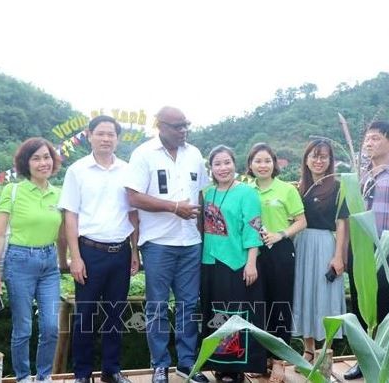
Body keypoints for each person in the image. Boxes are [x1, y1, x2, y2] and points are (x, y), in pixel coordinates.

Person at [124, 106, 210, 383]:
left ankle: (186, 364)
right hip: (158, 244)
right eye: (177, 126)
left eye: (186, 125)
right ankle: (160, 365)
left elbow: (201, 196)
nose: (183, 130)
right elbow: (133, 197)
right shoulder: (143, 154)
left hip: (191, 243)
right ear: (160, 126)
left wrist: (203, 235)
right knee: (157, 306)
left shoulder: (195, 154)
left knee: (189, 305)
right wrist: (174, 207)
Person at [60, 116, 140, 383]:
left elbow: (133, 215)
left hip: (120, 253)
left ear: (117, 138)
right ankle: (81, 373)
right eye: (101, 133)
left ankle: (111, 370)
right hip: (89, 252)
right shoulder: (77, 170)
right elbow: (70, 216)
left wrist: (135, 251)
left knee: (115, 314)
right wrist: (75, 257)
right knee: (85, 316)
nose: (106, 138)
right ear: (89, 135)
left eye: (111, 134)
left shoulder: (128, 170)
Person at [0, 137, 67, 383]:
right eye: (36, 158)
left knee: (52, 327)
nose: (43, 163)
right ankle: (23, 377)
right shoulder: (13, 191)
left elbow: (63, 234)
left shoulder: (59, 194)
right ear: (26, 163)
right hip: (19, 261)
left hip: (49, 263)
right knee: (23, 327)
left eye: (46, 157)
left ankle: (43, 377)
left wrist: (65, 261)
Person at [344, 121, 389, 380]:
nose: (368, 143)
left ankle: (384, 361)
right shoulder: (358, 175)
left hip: (385, 248)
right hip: (359, 248)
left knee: (385, 308)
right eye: (367, 139)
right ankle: (363, 361)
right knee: (361, 307)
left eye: (375, 138)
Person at [201, 145, 265, 383]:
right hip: (209, 261)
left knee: (234, 314)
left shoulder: (247, 193)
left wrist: (251, 263)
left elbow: (254, 229)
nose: (223, 168)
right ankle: (218, 364)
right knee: (214, 313)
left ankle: (234, 368)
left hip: (236, 263)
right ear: (211, 168)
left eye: (227, 162)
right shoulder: (208, 193)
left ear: (234, 165)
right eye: (217, 164)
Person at [246, 142, 306, 382]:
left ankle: (280, 363)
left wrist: (280, 234)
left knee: (281, 305)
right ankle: (262, 361)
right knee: (258, 306)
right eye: (258, 161)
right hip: (253, 254)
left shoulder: (286, 190)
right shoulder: (246, 190)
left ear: (274, 164)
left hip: (280, 252)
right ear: (250, 164)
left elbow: (301, 221)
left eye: (267, 161)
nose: (263, 165)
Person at [292, 140, 348, 363]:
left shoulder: (338, 187)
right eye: (314, 156)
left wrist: (338, 255)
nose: (318, 161)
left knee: (326, 295)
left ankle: (326, 352)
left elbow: (343, 223)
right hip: (302, 244)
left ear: (330, 161)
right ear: (306, 159)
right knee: (304, 293)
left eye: (323, 157)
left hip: (325, 243)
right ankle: (307, 349)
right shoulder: (298, 188)